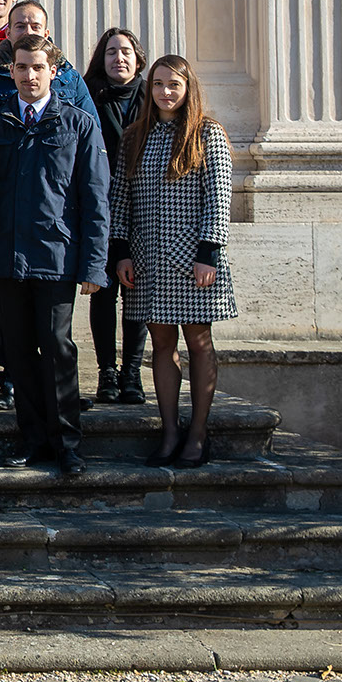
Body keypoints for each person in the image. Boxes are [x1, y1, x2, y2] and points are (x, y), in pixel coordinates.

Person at [0, 35, 110, 478]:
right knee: (15, 350)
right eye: (21, 67)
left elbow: (94, 197)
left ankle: (68, 443)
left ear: (53, 71)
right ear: (11, 70)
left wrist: (94, 264)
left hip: (56, 256)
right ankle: (32, 439)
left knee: (57, 347)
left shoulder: (77, 124)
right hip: (6, 256)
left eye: (38, 67)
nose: (30, 75)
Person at [113, 55, 237, 469]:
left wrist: (209, 253)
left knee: (198, 342)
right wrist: (122, 251)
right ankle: (169, 431)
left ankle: (198, 434)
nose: (166, 91)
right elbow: (120, 200)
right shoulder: (134, 136)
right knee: (162, 345)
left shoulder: (207, 132)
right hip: (148, 259)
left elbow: (219, 197)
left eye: (174, 84)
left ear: (188, 88)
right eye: (159, 83)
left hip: (192, 261)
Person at [85, 26, 150, 404]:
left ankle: (132, 373)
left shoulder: (152, 96)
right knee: (104, 290)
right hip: (102, 205)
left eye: (125, 51)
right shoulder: (91, 95)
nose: (118, 58)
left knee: (135, 291)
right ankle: (107, 372)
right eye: (111, 52)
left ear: (137, 58)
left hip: (143, 206)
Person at [0, 0, 98, 119]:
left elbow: (90, 130)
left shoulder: (69, 78)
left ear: (46, 34)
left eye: (35, 27)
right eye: (20, 26)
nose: (28, 32)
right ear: (8, 33)